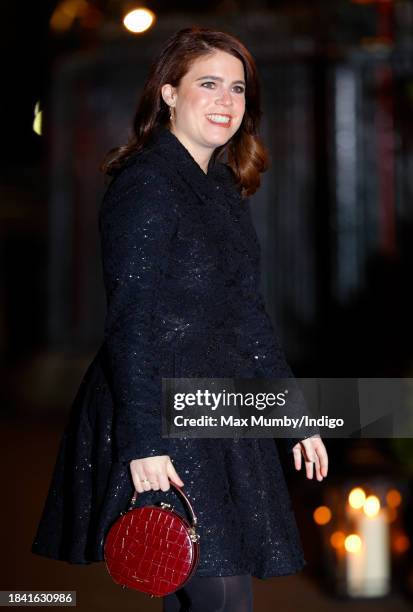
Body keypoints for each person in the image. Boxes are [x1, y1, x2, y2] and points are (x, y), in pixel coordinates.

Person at [31, 26, 328, 612]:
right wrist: (143, 443)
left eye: (238, 88)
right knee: (216, 593)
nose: (226, 101)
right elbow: (131, 323)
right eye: (209, 84)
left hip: (214, 408)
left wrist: (297, 415)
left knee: (205, 585)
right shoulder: (146, 185)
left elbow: (248, 318)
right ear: (168, 93)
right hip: (160, 414)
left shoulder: (222, 186)